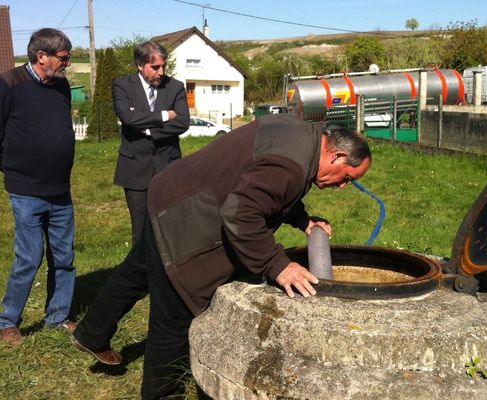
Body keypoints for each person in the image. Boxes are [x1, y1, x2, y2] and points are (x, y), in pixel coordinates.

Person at [71, 113, 371, 399]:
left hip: (170, 191)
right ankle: (162, 395)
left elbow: (269, 188)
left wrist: (302, 220)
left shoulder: (302, 135)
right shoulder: (292, 165)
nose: (342, 186)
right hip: (184, 218)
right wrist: (278, 265)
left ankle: (91, 333)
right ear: (337, 156)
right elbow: (241, 212)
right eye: (347, 177)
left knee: (134, 273)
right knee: (172, 320)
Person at [0, 28, 77, 346]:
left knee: (64, 256)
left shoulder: (62, 86)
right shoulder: (9, 84)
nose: (68, 64)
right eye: (63, 58)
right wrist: (12, 170)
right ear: (40, 56)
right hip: (26, 189)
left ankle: (57, 316)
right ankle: (7, 321)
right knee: (29, 257)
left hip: (60, 188)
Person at [112, 40, 190, 246]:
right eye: (155, 67)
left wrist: (145, 127)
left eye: (164, 66)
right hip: (135, 168)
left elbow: (183, 122)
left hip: (168, 166)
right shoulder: (122, 86)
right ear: (140, 65)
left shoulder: (175, 87)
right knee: (140, 229)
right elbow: (127, 119)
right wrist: (165, 115)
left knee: (170, 225)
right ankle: (140, 274)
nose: (161, 71)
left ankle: (171, 273)